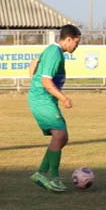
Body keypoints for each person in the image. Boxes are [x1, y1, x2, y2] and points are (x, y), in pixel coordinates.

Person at [27, 24, 82, 192]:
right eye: (77, 42)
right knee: (60, 135)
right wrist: (63, 98)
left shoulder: (52, 51)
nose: (77, 46)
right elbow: (45, 81)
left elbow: (33, 64)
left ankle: (41, 173)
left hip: (45, 99)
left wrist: (34, 82)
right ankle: (54, 177)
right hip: (42, 99)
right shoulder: (55, 53)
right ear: (68, 39)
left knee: (62, 138)